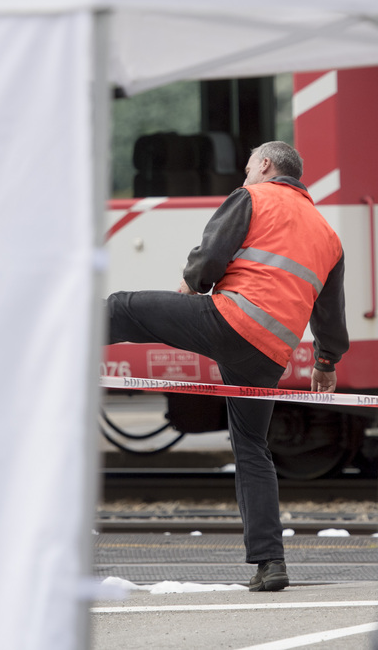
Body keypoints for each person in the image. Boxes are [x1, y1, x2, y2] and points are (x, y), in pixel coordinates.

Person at [106, 141, 348, 592]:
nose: (244, 175)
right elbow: (330, 313)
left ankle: (58, 348)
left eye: (247, 167)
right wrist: (326, 362)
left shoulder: (253, 196)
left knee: (122, 307)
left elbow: (213, 254)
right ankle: (270, 564)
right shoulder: (328, 235)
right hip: (272, 352)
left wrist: (190, 283)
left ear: (265, 165)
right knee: (253, 449)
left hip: (231, 320)